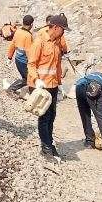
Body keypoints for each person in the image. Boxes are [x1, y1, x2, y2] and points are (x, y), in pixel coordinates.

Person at [27, 14, 67, 161]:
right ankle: (45, 147)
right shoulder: (40, 41)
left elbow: (57, 65)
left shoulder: (57, 43)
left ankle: (49, 142)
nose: (63, 33)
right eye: (63, 30)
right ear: (55, 28)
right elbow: (31, 64)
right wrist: (36, 80)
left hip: (53, 85)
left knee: (52, 116)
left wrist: (60, 84)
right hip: (40, 86)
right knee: (44, 117)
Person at [6, 15, 33, 95]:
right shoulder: (28, 35)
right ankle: (11, 89)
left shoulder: (18, 31)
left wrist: (9, 57)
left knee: (28, 78)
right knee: (28, 79)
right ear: (31, 25)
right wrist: (32, 64)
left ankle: (30, 91)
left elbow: (13, 44)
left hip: (17, 59)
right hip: (24, 61)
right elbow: (28, 51)